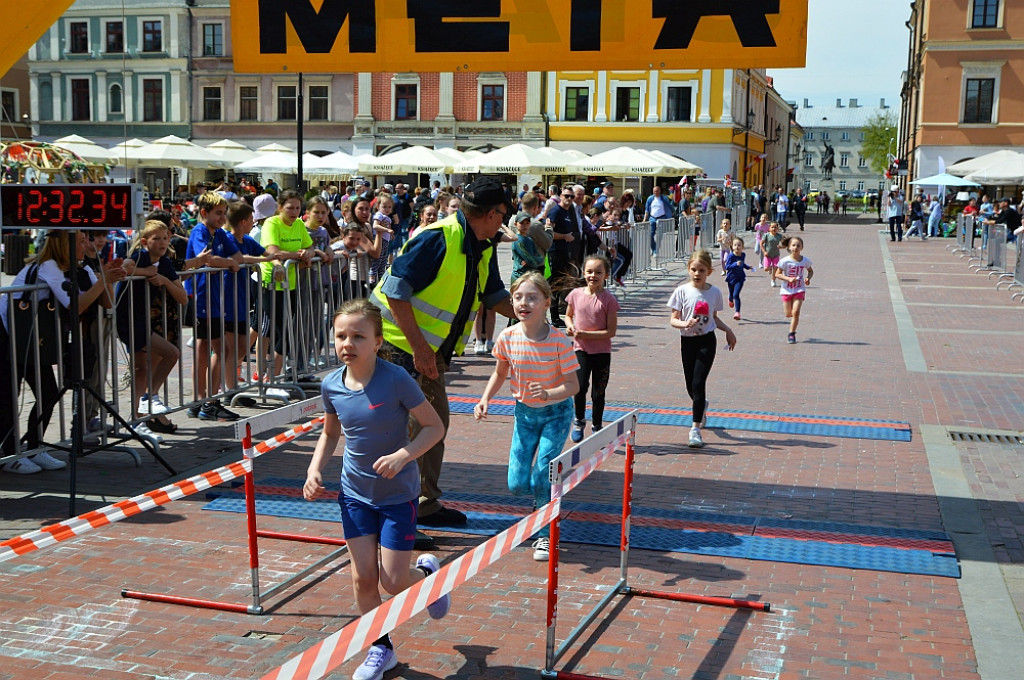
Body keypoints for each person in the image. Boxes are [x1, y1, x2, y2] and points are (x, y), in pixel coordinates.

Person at [303, 299, 448, 680]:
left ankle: (428, 579)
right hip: (354, 495)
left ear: (378, 342)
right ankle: (380, 649)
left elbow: (435, 428)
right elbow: (331, 432)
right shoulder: (331, 384)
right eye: (340, 336)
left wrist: (404, 455)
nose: (347, 343)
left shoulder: (396, 378)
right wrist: (315, 469)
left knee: (394, 581)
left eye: (358, 336)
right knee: (363, 579)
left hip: (398, 494)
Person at [370, 176, 515, 542]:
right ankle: (398, 517)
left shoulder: (479, 244)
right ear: (489, 213)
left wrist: (532, 312)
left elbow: (493, 295)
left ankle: (423, 502)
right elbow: (395, 291)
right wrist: (420, 349)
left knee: (434, 427)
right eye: (502, 214)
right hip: (395, 347)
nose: (504, 222)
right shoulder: (440, 237)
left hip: (425, 352)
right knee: (410, 434)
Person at [474, 272, 579, 561]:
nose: (524, 303)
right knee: (517, 484)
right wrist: (484, 399)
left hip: (556, 414)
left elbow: (573, 385)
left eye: (532, 297)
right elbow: (499, 372)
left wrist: (548, 393)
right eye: (518, 297)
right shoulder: (507, 337)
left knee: (542, 476)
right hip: (524, 415)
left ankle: (545, 536)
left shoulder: (558, 340)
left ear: (546, 303)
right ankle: (540, 502)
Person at [0, 230, 125, 473]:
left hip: (33, 339)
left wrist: (109, 278)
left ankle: (35, 447)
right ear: (63, 244)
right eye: (80, 240)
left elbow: (107, 304)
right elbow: (74, 305)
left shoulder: (83, 267)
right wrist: (102, 280)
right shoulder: (49, 266)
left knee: (48, 393)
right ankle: (11, 454)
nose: (86, 244)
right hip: (9, 333)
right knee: (8, 395)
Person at [116, 220, 189, 438]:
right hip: (131, 319)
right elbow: (125, 267)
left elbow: (183, 297)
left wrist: (165, 281)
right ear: (146, 241)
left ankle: (142, 408)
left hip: (152, 320)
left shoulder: (165, 263)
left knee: (146, 367)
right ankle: (139, 411)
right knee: (163, 357)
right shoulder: (140, 255)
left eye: (166, 238)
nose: (163, 242)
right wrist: (147, 272)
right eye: (157, 239)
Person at [184, 192, 246, 421]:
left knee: (218, 351)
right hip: (202, 297)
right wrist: (227, 262)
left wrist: (230, 260)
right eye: (218, 213)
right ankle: (204, 401)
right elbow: (206, 259)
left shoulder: (220, 233)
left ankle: (203, 400)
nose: (222, 217)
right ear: (204, 213)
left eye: (224, 213)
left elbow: (238, 256)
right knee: (206, 351)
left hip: (217, 300)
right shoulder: (199, 231)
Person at [666, 249, 737, 449]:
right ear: (688, 270)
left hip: (707, 341)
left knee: (698, 383)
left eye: (701, 270)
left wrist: (728, 330)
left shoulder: (714, 292)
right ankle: (701, 405)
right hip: (687, 341)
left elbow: (714, 317)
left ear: (709, 272)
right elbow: (673, 319)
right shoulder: (681, 291)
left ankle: (695, 429)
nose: (697, 274)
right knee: (690, 385)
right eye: (694, 270)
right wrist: (684, 324)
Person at [565, 255, 619, 443]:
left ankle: (597, 426)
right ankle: (579, 421)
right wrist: (570, 326)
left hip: (602, 352)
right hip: (580, 350)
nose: (593, 275)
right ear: (583, 273)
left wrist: (585, 334)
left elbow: (611, 331)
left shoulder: (609, 300)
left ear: (606, 275)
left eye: (598, 272)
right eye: (589, 271)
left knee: (598, 391)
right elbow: (568, 316)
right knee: (579, 388)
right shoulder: (575, 294)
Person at [546, 188, 581, 328]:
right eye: (566, 196)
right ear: (560, 196)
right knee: (554, 285)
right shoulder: (556, 211)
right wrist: (565, 236)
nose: (569, 199)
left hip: (565, 252)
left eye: (571, 196)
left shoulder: (568, 212)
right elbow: (549, 232)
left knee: (560, 284)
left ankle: (555, 316)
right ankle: (553, 316)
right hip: (555, 252)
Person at [776, 235, 814, 344]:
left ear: (802, 248)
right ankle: (793, 319)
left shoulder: (805, 260)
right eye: (793, 245)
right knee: (788, 314)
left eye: (798, 245)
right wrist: (788, 278)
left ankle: (791, 333)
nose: (795, 247)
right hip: (787, 290)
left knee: (796, 312)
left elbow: (810, 271)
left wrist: (808, 278)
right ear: (789, 247)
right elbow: (777, 274)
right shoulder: (785, 261)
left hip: (799, 289)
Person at [724, 237, 754, 321]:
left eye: (739, 245)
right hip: (731, 278)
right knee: (731, 294)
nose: (737, 247)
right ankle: (730, 299)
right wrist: (735, 264)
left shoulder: (743, 255)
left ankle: (737, 312)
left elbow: (742, 264)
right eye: (735, 245)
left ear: (742, 247)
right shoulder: (731, 256)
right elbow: (727, 267)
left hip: (740, 278)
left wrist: (747, 267)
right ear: (732, 246)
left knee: (736, 295)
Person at [761, 221, 783, 286]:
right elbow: (761, 243)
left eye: (775, 227)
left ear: (777, 229)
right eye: (772, 227)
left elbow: (784, 244)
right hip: (768, 255)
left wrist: (781, 246)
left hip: (776, 255)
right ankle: (769, 268)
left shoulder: (779, 236)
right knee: (765, 269)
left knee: (775, 269)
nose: (773, 229)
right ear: (769, 228)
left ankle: (773, 280)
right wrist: (764, 251)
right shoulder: (766, 235)